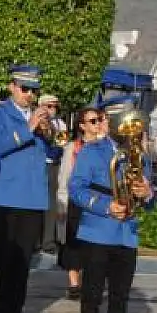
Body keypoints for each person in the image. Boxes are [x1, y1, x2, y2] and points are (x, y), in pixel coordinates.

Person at [69, 96, 155, 313]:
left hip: (127, 234)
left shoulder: (140, 156)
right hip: (97, 233)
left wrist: (147, 194)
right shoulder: (92, 151)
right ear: (109, 121)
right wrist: (106, 206)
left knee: (120, 297)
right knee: (92, 297)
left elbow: (150, 202)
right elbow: (76, 189)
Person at [0, 63, 58, 313]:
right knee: (3, 263)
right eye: (24, 89)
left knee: (23, 264)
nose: (29, 95)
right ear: (11, 87)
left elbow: (52, 154)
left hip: (33, 198)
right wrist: (28, 128)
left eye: (33, 90)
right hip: (5, 197)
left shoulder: (41, 116)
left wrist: (49, 136)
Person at [55, 105, 99, 299]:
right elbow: (64, 178)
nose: (97, 124)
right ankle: (74, 284)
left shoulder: (105, 147)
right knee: (73, 242)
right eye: (92, 121)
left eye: (99, 120)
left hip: (97, 200)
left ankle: (89, 281)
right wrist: (61, 204)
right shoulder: (73, 148)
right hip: (76, 200)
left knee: (93, 245)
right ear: (82, 125)